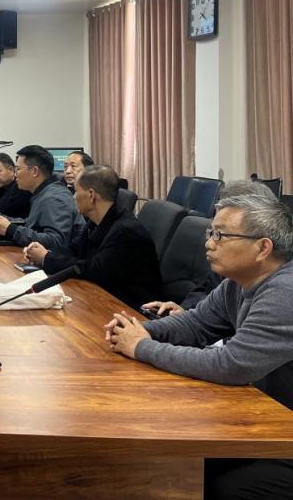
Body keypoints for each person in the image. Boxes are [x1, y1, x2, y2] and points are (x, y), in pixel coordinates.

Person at [104, 193, 293, 499]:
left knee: (223, 486)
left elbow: (231, 365)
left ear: (263, 248)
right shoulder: (237, 283)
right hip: (269, 420)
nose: (209, 243)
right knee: (170, 465)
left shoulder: (285, 292)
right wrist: (139, 331)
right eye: (210, 232)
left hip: (282, 433)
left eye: (220, 235)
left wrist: (140, 347)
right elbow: (195, 324)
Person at [23, 165, 162, 309]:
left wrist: (46, 258)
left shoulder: (126, 231)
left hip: (132, 309)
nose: (74, 197)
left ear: (91, 195)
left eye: (76, 191)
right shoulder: (96, 221)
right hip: (103, 297)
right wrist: (44, 252)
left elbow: (94, 269)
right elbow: (74, 249)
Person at [143, 180, 276, 318]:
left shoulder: (278, 292)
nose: (209, 244)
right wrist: (185, 311)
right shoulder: (229, 259)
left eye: (221, 233)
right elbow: (206, 290)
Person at [0, 145, 85, 250]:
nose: (15, 174)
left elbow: (57, 242)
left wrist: (12, 230)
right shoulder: (43, 192)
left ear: (34, 171)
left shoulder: (54, 198)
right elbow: (32, 224)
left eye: (18, 169)